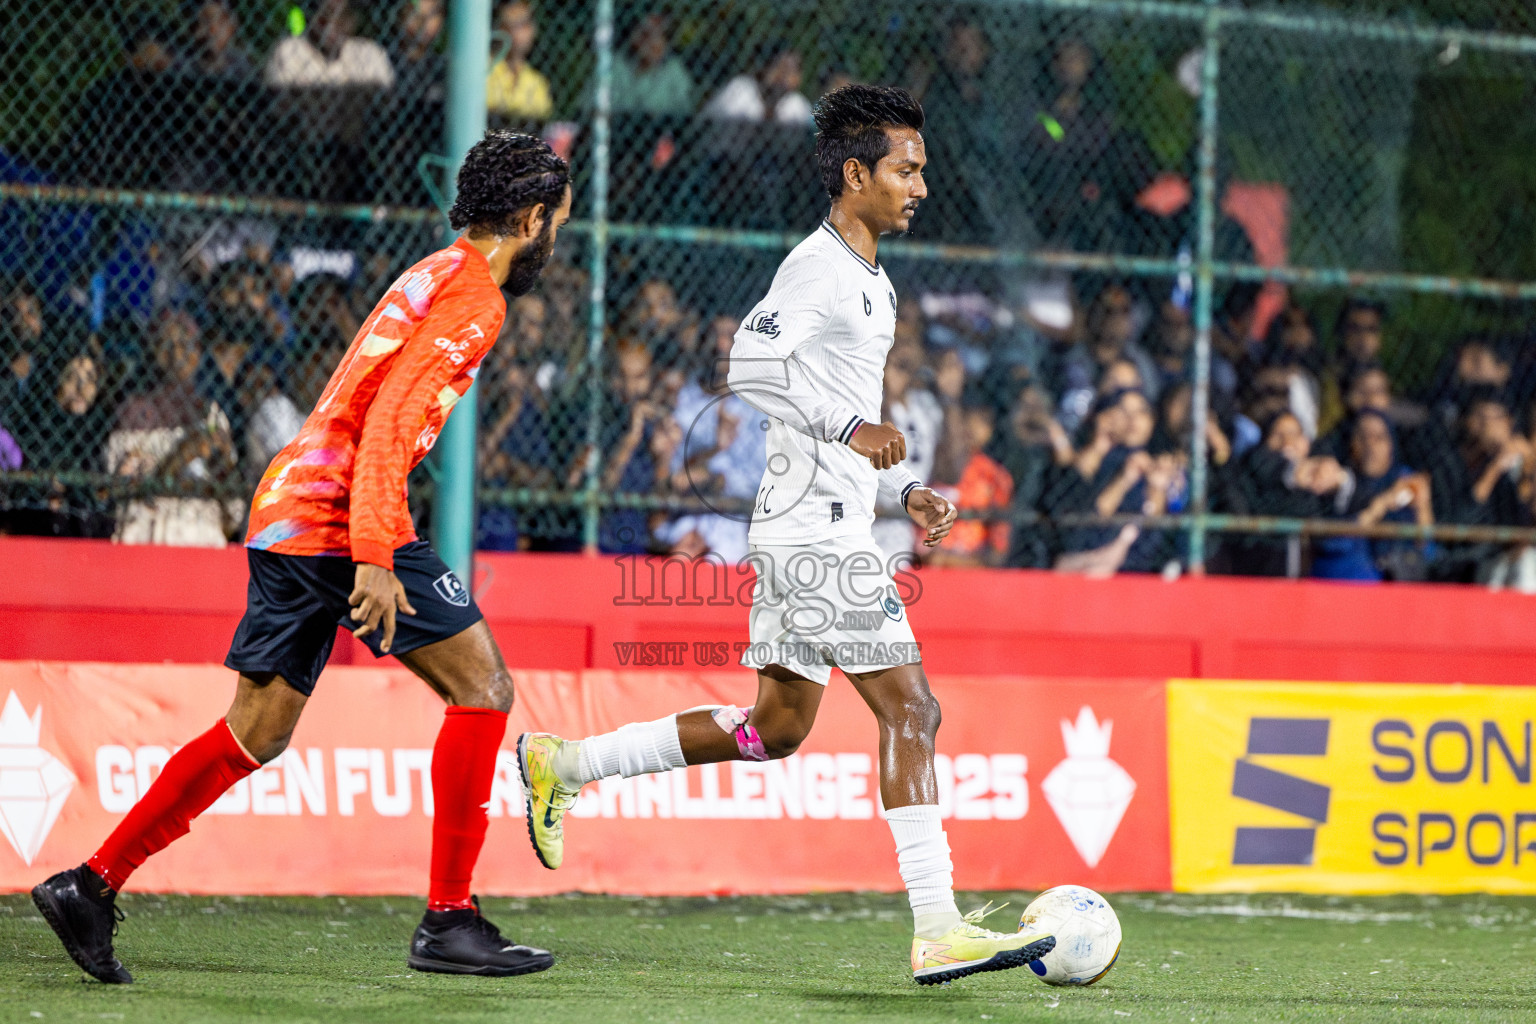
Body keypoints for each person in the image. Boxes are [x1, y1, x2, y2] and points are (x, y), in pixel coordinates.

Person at [515, 85, 1055, 986]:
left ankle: (563, 762)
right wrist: (852, 436)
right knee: (913, 710)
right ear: (856, 174)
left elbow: (848, 413)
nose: (921, 185)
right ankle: (938, 926)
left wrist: (907, 487)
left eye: (922, 169)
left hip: (828, 523)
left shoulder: (872, 276)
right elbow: (749, 367)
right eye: (905, 170)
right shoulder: (819, 265)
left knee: (774, 728)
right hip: (815, 539)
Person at [31, 132, 573, 984]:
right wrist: (375, 557)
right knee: (484, 688)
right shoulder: (477, 297)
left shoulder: (433, 269)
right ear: (535, 218)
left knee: (256, 734)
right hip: (339, 513)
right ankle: (449, 919)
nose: (556, 239)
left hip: (289, 503)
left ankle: (89, 885)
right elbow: (391, 421)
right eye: (558, 223)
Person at [702, 43, 812, 124]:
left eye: (792, 71)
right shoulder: (741, 90)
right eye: (781, 68)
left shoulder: (796, 105)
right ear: (764, 68)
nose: (784, 77)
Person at [486, 1, 552, 120]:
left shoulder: (537, 82)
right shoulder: (483, 70)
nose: (519, 32)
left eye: (524, 23)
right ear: (499, 28)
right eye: (513, 24)